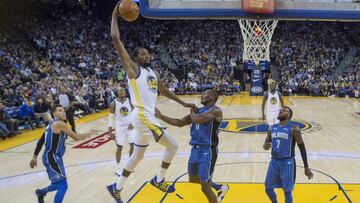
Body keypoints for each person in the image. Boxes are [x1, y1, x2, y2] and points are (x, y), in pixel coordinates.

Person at [107, 3, 195, 202]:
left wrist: (183, 103)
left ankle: (117, 187)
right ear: (135, 58)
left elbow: (164, 90)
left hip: (144, 117)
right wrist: (115, 14)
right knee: (172, 146)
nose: (147, 56)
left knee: (137, 156)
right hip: (141, 115)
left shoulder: (152, 72)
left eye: (148, 53)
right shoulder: (133, 70)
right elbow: (115, 38)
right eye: (143, 54)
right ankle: (159, 179)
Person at [155, 90, 229, 203]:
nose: (203, 95)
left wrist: (191, 110)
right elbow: (179, 122)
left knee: (204, 187)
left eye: (206, 94)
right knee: (193, 179)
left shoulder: (216, 110)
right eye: (203, 93)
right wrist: (161, 116)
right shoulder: (197, 111)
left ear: (213, 98)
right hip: (195, 150)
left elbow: (196, 119)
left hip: (208, 151)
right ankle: (219, 188)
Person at [29, 104, 96, 203]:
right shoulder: (59, 124)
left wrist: (35, 157)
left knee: (59, 183)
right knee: (63, 186)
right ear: (54, 113)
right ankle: (42, 192)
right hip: (52, 157)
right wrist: (90, 133)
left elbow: (41, 141)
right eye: (60, 110)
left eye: (63, 110)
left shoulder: (50, 124)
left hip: (53, 157)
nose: (63, 112)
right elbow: (76, 137)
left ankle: (41, 192)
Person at [263, 106, 313, 203]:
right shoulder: (271, 128)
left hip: (288, 162)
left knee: (287, 191)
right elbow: (265, 146)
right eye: (280, 109)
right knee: (268, 188)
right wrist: (265, 145)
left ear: (289, 115)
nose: (280, 110)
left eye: (284, 110)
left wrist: (306, 167)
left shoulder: (294, 129)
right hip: (274, 161)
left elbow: (302, 147)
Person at [108, 87, 135, 175]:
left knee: (133, 145)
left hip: (130, 126)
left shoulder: (129, 101)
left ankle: (128, 166)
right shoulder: (113, 103)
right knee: (119, 147)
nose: (123, 91)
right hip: (120, 128)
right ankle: (118, 167)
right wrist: (110, 131)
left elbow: (134, 112)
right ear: (117, 93)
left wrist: (133, 122)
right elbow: (111, 118)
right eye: (120, 90)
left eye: (123, 90)